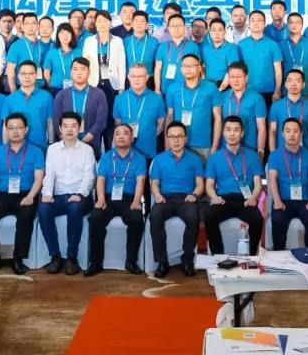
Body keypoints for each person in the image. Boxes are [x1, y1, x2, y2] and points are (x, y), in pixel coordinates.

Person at [0, 113, 45, 274]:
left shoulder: (36, 151)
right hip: (2, 194)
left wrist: (30, 196)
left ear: (26, 129)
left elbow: (39, 178)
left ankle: (18, 259)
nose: (15, 131)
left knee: (26, 215)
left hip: (26, 194)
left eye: (19, 127)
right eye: (11, 128)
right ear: (6, 130)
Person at [85, 124, 147, 276]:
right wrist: (100, 199)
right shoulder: (106, 157)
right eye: (117, 133)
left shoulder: (139, 158)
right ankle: (96, 262)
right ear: (113, 138)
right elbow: (100, 180)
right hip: (108, 197)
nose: (121, 136)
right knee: (95, 217)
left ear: (131, 138)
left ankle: (131, 261)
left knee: (136, 219)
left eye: (125, 133)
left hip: (129, 198)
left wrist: (137, 201)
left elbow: (140, 181)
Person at [38, 112, 96, 275]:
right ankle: (55, 256)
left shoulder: (87, 150)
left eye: (73, 126)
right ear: (59, 129)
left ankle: (72, 258)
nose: (69, 130)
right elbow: (49, 175)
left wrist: (80, 194)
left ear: (80, 128)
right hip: (58, 196)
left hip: (81, 197)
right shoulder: (52, 149)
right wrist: (47, 194)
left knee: (74, 209)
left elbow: (89, 177)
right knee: (43, 209)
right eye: (65, 126)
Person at [148, 122, 204, 277]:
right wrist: (157, 195)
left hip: (186, 198)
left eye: (179, 136)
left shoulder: (195, 159)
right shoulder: (159, 159)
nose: (176, 140)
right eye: (172, 137)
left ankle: (187, 260)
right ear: (167, 138)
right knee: (155, 216)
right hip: (165, 198)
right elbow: (154, 184)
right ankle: (162, 262)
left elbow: (200, 184)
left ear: (185, 138)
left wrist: (194, 195)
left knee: (193, 217)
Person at [203, 116, 264, 254]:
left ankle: (251, 256)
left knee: (257, 219)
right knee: (209, 216)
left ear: (242, 133)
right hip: (223, 199)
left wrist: (253, 197)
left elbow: (258, 184)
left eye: (236, 130)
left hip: (246, 200)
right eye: (228, 130)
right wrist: (214, 197)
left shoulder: (253, 156)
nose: (232, 134)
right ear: (223, 133)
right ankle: (217, 256)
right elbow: (209, 185)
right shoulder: (214, 157)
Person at [267, 118, 308, 249]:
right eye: (288, 131)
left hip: (305, 201)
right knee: (278, 219)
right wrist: (277, 201)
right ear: (282, 134)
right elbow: (272, 180)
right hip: (283, 200)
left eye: (295, 131)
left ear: (301, 134)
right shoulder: (274, 155)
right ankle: (278, 255)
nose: (292, 134)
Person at [82, 10, 126, 149]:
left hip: (112, 84)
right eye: (99, 21)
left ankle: (108, 148)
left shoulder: (118, 41)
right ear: (95, 23)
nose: (102, 24)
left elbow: (121, 65)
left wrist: (121, 87)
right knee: (95, 117)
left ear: (110, 23)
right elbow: (85, 64)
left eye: (105, 21)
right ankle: (94, 150)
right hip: (94, 83)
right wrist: (84, 84)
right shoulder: (89, 41)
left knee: (110, 119)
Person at [165, 54, 221, 163]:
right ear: (181, 69)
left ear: (199, 68)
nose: (188, 69)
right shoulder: (172, 88)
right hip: (177, 144)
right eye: (185, 66)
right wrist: (167, 146)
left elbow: (218, 118)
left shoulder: (211, 88)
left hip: (203, 144)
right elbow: (169, 117)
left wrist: (215, 146)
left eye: (191, 66)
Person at [52, 57, 108, 160]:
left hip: (91, 145)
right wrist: (67, 139)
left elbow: (101, 121)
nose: (79, 72)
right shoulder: (61, 95)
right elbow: (56, 120)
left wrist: (86, 139)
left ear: (89, 72)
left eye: (82, 69)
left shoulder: (99, 94)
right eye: (75, 69)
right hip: (67, 145)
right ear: (70, 73)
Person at [113, 64, 165, 162]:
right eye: (133, 76)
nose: (136, 80)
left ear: (147, 77)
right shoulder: (119, 99)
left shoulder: (157, 99)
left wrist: (149, 135)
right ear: (128, 77)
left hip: (148, 152)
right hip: (125, 152)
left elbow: (161, 124)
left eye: (140, 76)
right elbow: (118, 123)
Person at [220, 62, 267, 159]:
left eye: (239, 77)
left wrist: (260, 150)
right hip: (226, 148)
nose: (235, 80)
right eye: (232, 77)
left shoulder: (257, 98)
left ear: (246, 78)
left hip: (249, 148)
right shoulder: (222, 97)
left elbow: (261, 128)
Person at [269, 69, 308, 155]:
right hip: (281, 154)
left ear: (303, 85)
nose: (293, 84)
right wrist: (273, 155)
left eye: (297, 81)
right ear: (285, 84)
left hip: (305, 153)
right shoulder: (276, 106)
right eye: (290, 80)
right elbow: (272, 132)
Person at [237, 10, 283, 103]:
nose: (256, 23)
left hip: (268, 91)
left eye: (259, 20)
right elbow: (238, 70)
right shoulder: (241, 45)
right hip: (247, 90)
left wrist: (277, 91)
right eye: (253, 20)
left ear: (264, 24)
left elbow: (278, 71)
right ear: (249, 24)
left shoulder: (273, 44)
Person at [154, 14, 201, 96]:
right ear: (168, 28)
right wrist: (157, 89)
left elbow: (198, 69)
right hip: (165, 89)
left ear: (184, 27)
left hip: (187, 89)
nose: (176, 28)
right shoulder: (162, 46)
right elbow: (158, 69)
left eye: (179, 25)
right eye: (173, 26)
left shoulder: (193, 46)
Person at [280, 13, 308, 98]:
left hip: (306, 90)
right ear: (287, 25)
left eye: (297, 22)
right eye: (291, 22)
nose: (294, 25)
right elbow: (278, 69)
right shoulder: (281, 44)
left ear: (302, 25)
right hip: (286, 91)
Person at [7, 13, 46, 92]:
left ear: (38, 26)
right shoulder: (16, 46)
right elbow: (10, 70)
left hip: (40, 86)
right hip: (21, 87)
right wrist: (13, 91)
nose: (31, 26)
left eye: (34, 23)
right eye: (27, 23)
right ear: (23, 26)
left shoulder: (42, 45)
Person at [201, 18, 239, 90]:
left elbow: (232, 69)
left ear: (225, 31)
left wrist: (221, 88)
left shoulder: (232, 48)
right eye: (214, 30)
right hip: (208, 85)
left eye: (220, 30)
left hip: (226, 85)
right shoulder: (205, 48)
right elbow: (202, 68)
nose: (217, 33)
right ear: (209, 32)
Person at [44, 23, 81, 98]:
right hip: (55, 89)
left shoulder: (79, 52)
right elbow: (46, 73)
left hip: (75, 88)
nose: (65, 36)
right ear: (58, 35)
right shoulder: (52, 52)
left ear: (72, 35)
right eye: (62, 33)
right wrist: (51, 84)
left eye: (68, 33)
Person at [124, 11, 158, 85]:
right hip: (129, 79)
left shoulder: (154, 41)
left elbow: (157, 64)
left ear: (147, 25)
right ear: (132, 23)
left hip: (148, 79)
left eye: (142, 21)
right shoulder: (125, 41)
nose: (139, 23)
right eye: (136, 21)